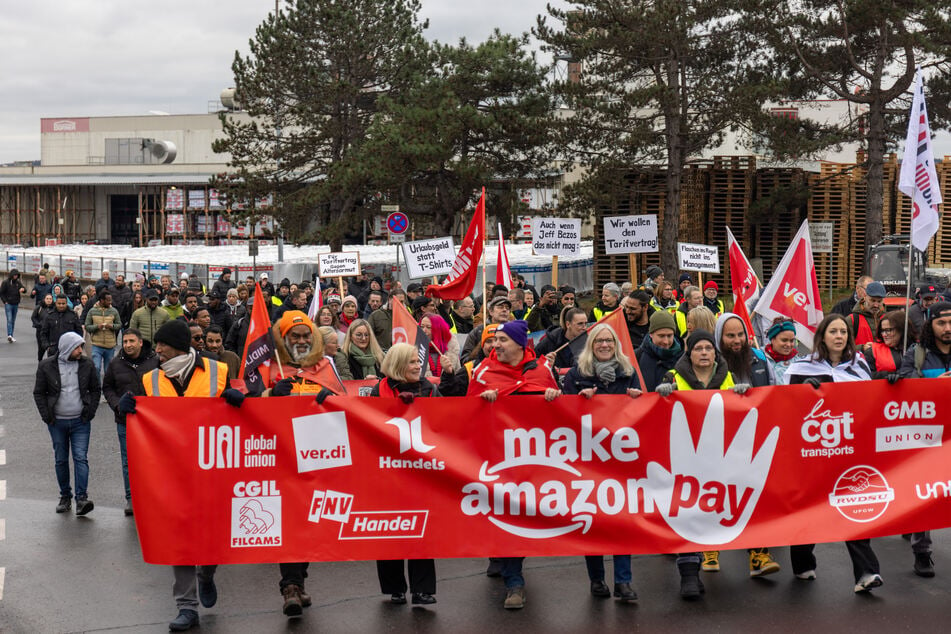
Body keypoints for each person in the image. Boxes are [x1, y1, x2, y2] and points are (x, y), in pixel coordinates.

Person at [116, 319, 245, 631]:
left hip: (211, 472)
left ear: (179, 345)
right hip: (170, 473)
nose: (156, 349)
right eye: (156, 345)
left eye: (162, 344)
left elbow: (238, 414)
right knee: (179, 539)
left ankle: (207, 574)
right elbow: (137, 413)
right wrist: (125, 407)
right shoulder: (150, 378)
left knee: (212, 536)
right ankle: (186, 606)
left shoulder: (217, 372)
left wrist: (239, 401)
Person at [784, 314, 883, 592]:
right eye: (833, 331)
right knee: (809, 508)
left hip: (850, 449)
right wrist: (801, 392)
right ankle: (803, 562)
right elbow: (782, 407)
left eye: (843, 332)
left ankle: (867, 572)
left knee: (855, 507)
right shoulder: (801, 367)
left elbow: (872, 403)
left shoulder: (860, 366)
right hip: (812, 450)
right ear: (822, 336)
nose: (839, 336)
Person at [466, 320, 560, 609]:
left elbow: (563, 417)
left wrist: (555, 399)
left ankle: (510, 566)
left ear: (521, 344)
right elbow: (464, 412)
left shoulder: (543, 371)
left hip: (532, 459)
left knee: (522, 517)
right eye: (495, 340)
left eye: (503, 340)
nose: (497, 345)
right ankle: (514, 583)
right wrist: (482, 402)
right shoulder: (482, 371)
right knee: (504, 516)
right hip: (495, 459)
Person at [656, 330, 751, 599]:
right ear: (690, 353)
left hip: (719, 456)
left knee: (709, 513)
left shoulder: (728, 376)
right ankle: (688, 573)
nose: (705, 353)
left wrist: (742, 394)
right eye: (698, 348)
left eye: (709, 348)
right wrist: (661, 394)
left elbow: (738, 412)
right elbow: (657, 413)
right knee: (687, 513)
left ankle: (698, 563)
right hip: (684, 457)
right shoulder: (673, 377)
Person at [560, 323, 641, 602]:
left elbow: (641, 412)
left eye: (609, 341)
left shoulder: (629, 373)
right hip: (587, 460)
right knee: (591, 523)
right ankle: (597, 580)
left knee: (622, 522)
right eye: (599, 341)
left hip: (620, 460)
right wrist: (580, 402)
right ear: (591, 345)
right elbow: (564, 416)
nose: (604, 345)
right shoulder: (576, 374)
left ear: (616, 344)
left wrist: (637, 399)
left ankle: (623, 581)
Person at [264, 310, 337, 617]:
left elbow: (347, 409)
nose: (303, 340)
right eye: (295, 336)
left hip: (316, 460)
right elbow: (243, 409)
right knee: (288, 524)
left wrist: (331, 398)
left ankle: (299, 581)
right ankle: (290, 587)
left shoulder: (326, 366)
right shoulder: (269, 368)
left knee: (306, 525)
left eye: (307, 335)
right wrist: (269, 394)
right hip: (280, 459)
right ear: (283, 339)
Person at [704, 313, 779, 576]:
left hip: (753, 441)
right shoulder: (709, 360)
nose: (737, 341)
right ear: (719, 338)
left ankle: (758, 555)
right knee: (717, 495)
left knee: (754, 497)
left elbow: (775, 392)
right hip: (718, 441)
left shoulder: (760, 360)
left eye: (740, 335)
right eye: (730, 336)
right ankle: (710, 548)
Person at [370, 343, 439, 606]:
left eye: (417, 362)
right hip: (387, 472)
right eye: (411, 362)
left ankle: (422, 589)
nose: (417, 367)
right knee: (389, 529)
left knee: (421, 529)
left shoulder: (430, 389)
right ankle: (394, 587)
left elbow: (448, 420)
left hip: (422, 472)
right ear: (398, 365)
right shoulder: (379, 391)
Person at [33, 331, 101, 515]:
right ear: (67, 348)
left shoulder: (87, 364)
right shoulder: (47, 366)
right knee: (61, 459)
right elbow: (38, 392)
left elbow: (96, 389)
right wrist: (47, 416)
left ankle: (82, 499)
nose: (81, 350)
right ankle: (65, 496)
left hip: (81, 421)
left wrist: (90, 412)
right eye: (77, 347)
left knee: (80, 458)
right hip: (57, 422)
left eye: (81, 346)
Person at [101, 328, 159, 516]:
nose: (128, 345)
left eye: (131, 341)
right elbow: (107, 387)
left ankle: (153, 496)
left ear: (140, 342)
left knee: (153, 460)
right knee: (129, 461)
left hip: (151, 422)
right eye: (125, 342)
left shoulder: (156, 361)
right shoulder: (116, 363)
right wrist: (118, 405)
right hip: (125, 420)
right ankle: (131, 498)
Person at [636, 311, 682, 392]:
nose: (666, 341)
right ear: (651, 334)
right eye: (661, 336)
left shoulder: (683, 357)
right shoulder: (637, 357)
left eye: (669, 336)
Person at [865, 310, 914, 379]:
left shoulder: (916, 349)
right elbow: (865, 375)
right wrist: (886, 375)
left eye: (888, 330)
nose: (884, 334)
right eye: (882, 330)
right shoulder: (872, 351)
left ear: (901, 329)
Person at [85, 290, 122, 381]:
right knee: (96, 367)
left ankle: (106, 387)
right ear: (101, 300)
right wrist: (97, 327)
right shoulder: (92, 311)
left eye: (110, 300)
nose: (110, 302)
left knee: (108, 370)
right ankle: (97, 386)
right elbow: (87, 326)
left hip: (110, 345)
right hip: (96, 345)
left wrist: (111, 326)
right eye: (108, 300)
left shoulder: (114, 311)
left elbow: (119, 325)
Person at [761, 319, 805, 384]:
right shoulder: (759, 358)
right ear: (773, 339)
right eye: (784, 340)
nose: (788, 345)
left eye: (791, 341)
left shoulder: (799, 363)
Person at [847, 280, 886, 347]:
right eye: (872, 300)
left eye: (879, 301)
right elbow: (843, 347)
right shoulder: (852, 320)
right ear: (865, 297)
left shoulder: (887, 319)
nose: (876, 305)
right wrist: (862, 348)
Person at [1, 268, 27, 342]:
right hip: (8, 304)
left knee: (13, 320)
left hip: (15, 303)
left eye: (17, 275)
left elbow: (24, 289)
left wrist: (23, 290)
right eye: (14, 275)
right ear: (11, 275)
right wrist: (5, 301)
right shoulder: (5, 282)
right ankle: (9, 335)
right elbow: (1, 293)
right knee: (9, 319)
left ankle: (11, 335)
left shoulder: (18, 283)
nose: (15, 276)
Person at [31, 293, 55, 361]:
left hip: (51, 331)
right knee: (41, 348)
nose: (49, 300)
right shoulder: (39, 307)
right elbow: (33, 317)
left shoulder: (54, 308)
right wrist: (38, 324)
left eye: (50, 299)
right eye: (47, 299)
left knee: (50, 349)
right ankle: (40, 361)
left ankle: (49, 363)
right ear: (44, 299)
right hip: (40, 331)